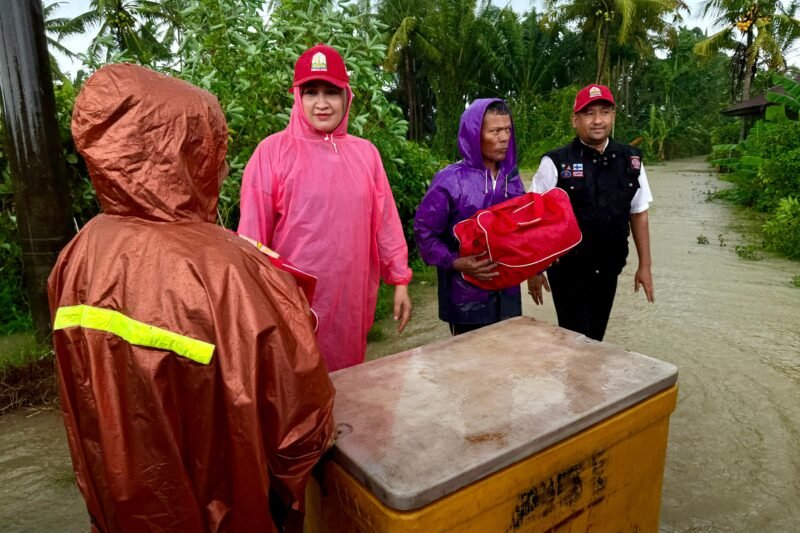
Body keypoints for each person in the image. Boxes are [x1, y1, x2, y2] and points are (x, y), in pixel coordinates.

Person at [49, 63, 335, 532]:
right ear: (189, 151)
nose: (221, 165)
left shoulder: (77, 256)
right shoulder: (231, 270)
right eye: (213, 147)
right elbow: (299, 428)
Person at [238, 44, 412, 371]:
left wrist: (400, 279)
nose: (321, 103)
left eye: (331, 92)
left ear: (347, 97)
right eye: (311, 92)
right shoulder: (271, 153)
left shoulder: (366, 155)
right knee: (297, 394)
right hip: (292, 305)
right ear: (297, 97)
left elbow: (385, 223)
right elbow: (251, 241)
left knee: (348, 390)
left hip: (350, 302)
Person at [527, 83, 655, 341]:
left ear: (613, 117)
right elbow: (533, 218)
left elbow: (638, 213)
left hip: (609, 268)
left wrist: (645, 266)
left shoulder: (631, 161)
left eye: (604, 112)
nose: (598, 120)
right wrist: (534, 270)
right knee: (576, 341)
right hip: (567, 270)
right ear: (575, 120)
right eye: (589, 113)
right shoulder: (555, 162)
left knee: (596, 339)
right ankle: (574, 380)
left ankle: (583, 381)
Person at [414, 99, 525, 335]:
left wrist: (534, 269)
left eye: (507, 130)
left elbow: (521, 229)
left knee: (508, 364)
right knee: (471, 368)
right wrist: (454, 262)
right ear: (475, 134)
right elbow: (425, 232)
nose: (504, 137)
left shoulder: (511, 178)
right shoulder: (450, 181)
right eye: (495, 131)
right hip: (465, 300)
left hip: (508, 296)